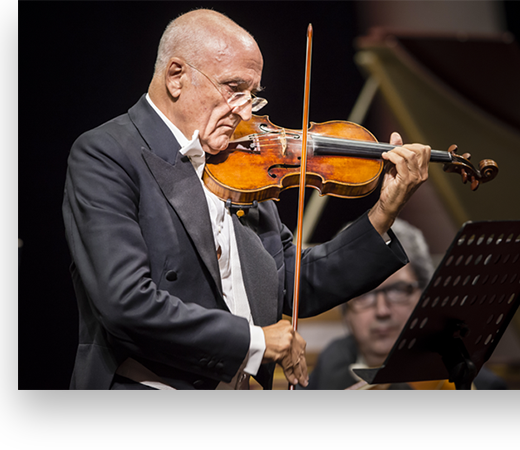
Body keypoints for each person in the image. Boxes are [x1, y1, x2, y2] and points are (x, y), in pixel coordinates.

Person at [62, 9, 432, 390]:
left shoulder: (240, 164)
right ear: (176, 76)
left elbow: (295, 283)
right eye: (233, 89)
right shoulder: (107, 155)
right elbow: (126, 302)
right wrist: (255, 341)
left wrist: (383, 212)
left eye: (252, 96)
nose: (243, 111)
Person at [305, 219, 508, 390]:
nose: (382, 310)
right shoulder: (328, 366)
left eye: (398, 290)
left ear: (425, 296)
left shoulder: (480, 385)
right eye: (364, 295)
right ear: (345, 308)